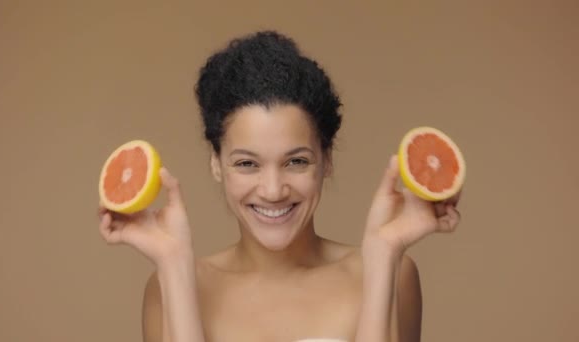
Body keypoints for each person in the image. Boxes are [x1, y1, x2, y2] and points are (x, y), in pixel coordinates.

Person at [98, 31, 461, 342]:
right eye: (247, 164)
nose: (273, 190)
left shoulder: (393, 273)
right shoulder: (166, 287)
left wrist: (383, 254)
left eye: (296, 161)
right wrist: (174, 264)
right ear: (216, 163)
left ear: (327, 159)